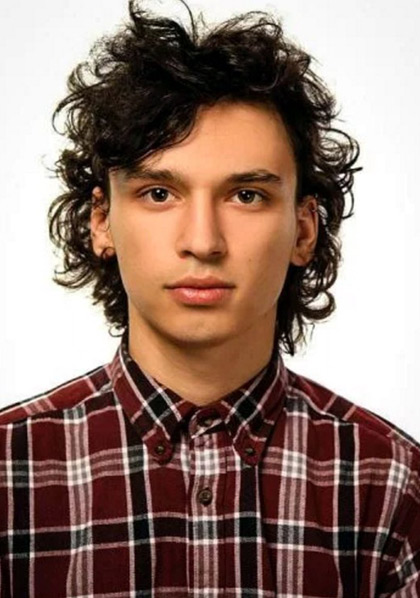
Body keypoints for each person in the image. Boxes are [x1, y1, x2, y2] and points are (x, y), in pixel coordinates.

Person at [0, 0, 419, 595]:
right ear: (101, 221)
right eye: (158, 193)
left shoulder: (394, 484)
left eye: (246, 195)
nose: (202, 242)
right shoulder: (8, 472)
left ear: (304, 229)